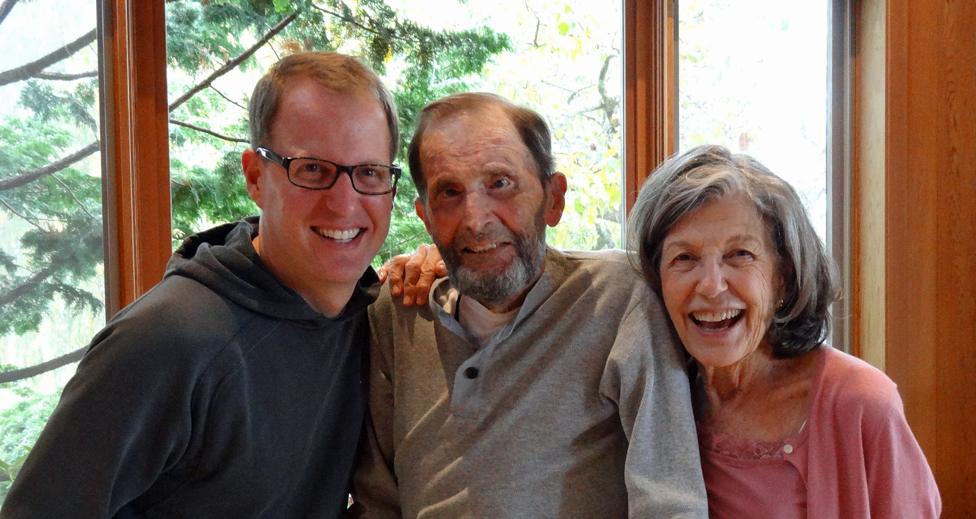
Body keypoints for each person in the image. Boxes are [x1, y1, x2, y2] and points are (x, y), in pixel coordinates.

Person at [1, 52, 400, 518]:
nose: (345, 203)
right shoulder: (167, 341)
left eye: (369, 173)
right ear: (254, 176)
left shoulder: (374, 323)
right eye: (312, 170)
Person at [349, 92, 707, 518]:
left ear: (552, 199)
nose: (476, 220)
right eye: (449, 192)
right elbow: (376, 504)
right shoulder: (397, 316)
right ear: (425, 216)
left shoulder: (621, 299)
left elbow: (669, 502)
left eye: (500, 184)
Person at [629, 144, 942, 517]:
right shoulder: (647, 398)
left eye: (739, 255)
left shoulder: (862, 403)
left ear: (783, 277)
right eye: (685, 258)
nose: (711, 285)